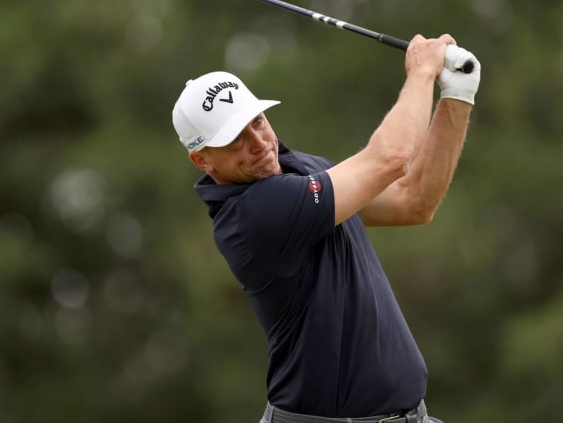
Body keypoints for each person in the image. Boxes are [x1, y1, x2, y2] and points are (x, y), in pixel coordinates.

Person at [171, 34, 480, 423]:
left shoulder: (301, 169)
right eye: (235, 139)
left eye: (258, 122)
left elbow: (412, 200)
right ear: (202, 159)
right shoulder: (254, 215)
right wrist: (422, 72)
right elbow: (391, 159)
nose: (259, 143)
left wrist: (458, 95)